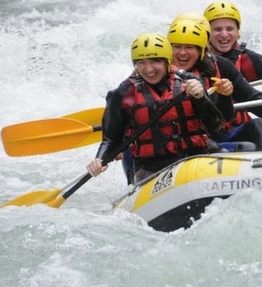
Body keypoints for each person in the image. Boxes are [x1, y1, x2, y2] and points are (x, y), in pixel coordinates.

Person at [86, 32, 227, 184]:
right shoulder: (123, 93)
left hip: (196, 157)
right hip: (152, 167)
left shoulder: (190, 82)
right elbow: (112, 138)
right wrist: (100, 159)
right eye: (141, 62)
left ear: (167, 62)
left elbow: (217, 128)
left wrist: (201, 98)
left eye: (155, 61)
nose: (149, 69)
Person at [167, 18, 262, 151]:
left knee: (258, 125)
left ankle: (261, 169)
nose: (182, 53)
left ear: (201, 48)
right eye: (177, 46)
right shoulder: (157, 71)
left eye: (190, 46)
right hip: (179, 145)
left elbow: (255, 102)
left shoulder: (221, 66)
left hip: (217, 137)